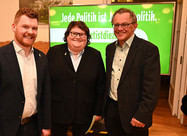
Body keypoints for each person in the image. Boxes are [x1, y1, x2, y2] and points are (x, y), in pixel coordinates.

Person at [0, 8, 51, 136]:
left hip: (34, 127)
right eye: (25, 26)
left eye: (34, 28)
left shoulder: (42, 58)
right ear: (14, 27)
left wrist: (46, 125)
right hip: (6, 129)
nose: (30, 32)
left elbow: (45, 95)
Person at [104, 8, 160, 136]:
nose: (119, 28)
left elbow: (152, 88)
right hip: (111, 111)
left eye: (125, 24)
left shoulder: (148, 50)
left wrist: (142, 114)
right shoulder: (110, 48)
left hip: (134, 114)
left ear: (134, 26)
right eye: (116, 25)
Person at [47, 21, 106, 136]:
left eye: (82, 34)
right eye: (74, 33)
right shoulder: (54, 53)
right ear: (67, 35)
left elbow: (101, 85)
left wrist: (98, 111)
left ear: (87, 37)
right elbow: (46, 83)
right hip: (58, 112)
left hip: (85, 113)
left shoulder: (95, 55)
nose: (77, 37)